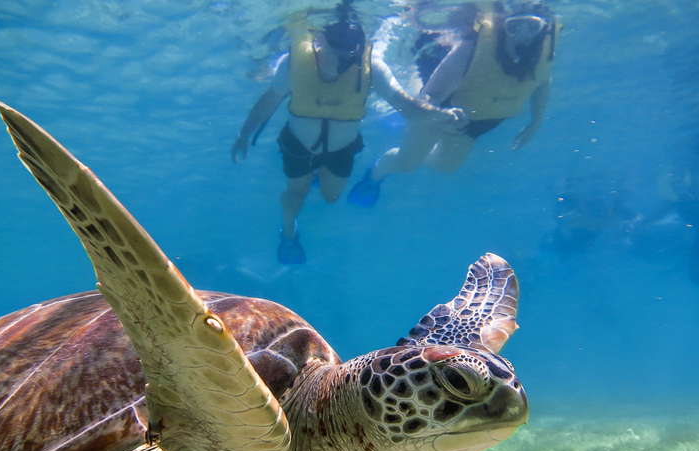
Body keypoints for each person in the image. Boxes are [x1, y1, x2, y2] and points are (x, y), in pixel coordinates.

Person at [232, 15, 465, 264]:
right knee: (295, 195)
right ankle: (288, 234)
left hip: (341, 149)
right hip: (298, 146)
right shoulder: (294, 64)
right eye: (337, 40)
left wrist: (440, 116)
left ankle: (320, 176)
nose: (345, 50)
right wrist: (244, 134)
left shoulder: (371, 67)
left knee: (330, 197)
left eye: (353, 41)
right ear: (319, 38)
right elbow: (269, 100)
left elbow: (406, 106)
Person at [348, 0, 561, 207]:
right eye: (513, 27)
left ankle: (412, 149)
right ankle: (375, 174)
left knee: (445, 166)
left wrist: (535, 121)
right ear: (503, 26)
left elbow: (541, 80)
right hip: (440, 112)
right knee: (406, 164)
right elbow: (431, 95)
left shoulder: (543, 53)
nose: (522, 36)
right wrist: (440, 116)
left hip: (475, 123)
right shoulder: (472, 47)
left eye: (532, 27)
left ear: (543, 29)